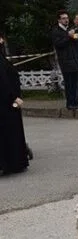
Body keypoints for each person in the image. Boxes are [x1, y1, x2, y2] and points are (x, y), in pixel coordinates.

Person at [0, 33, 30, 175]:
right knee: (9, 133)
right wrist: (13, 97)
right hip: (6, 103)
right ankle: (12, 163)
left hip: (6, 102)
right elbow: (3, 81)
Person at [52, 10, 78, 110]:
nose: (66, 20)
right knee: (68, 83)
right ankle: (70, 103)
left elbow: (77, 40)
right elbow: (58, 44)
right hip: (65, 60)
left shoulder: (70, 29)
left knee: (75, 82)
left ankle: (76, 101)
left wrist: (75, 37)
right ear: (59, 20)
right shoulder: (56, 31)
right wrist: (68, 37)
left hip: (74, 58)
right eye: (63, 18)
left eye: (67, 18)